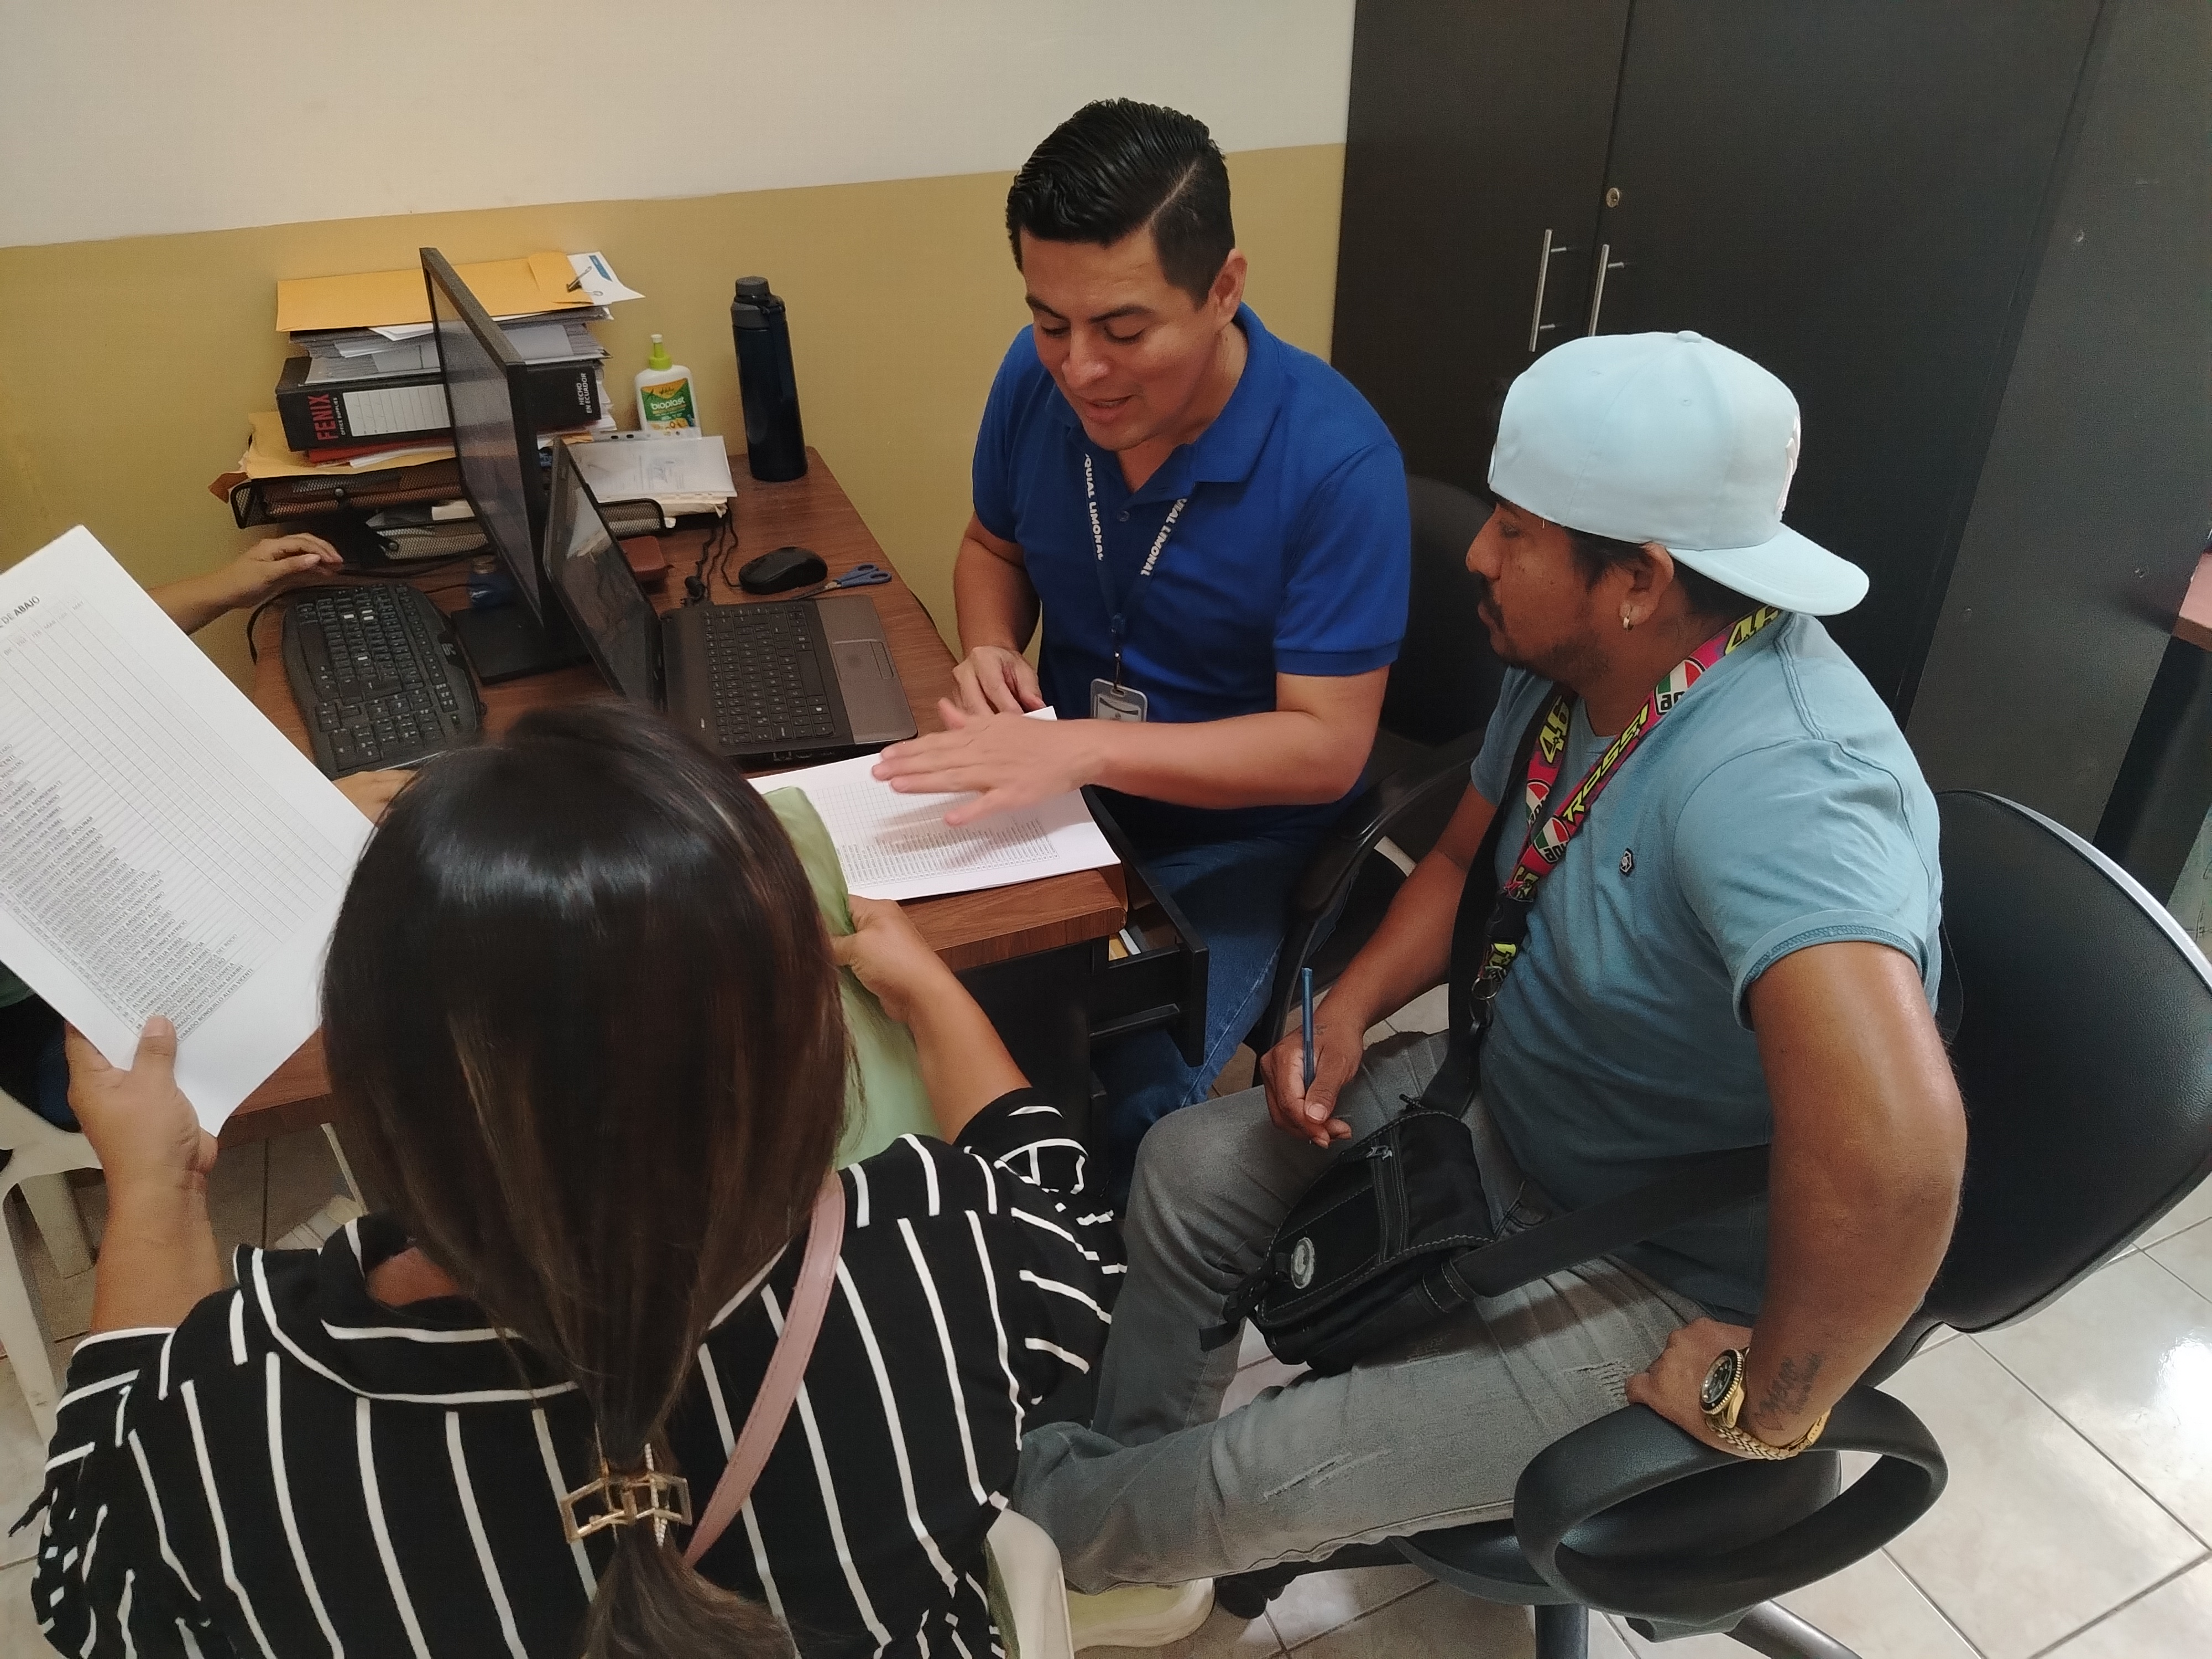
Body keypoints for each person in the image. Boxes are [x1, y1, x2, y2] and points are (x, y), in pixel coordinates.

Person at [1013, 332, 1969, 1622]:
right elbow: (1464, 860)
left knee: (1267, 1465)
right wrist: (1348, 1010)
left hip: (1659, 1263)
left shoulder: (1782, 790)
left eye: (1515, 532)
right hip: (1510, 1112)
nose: (1476, 553)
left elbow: (1897, 1156)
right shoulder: (1581, 668)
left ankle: (1013, 1533)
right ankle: (1135, 1534)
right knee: (1187, 1168)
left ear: (1635, 578)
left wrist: (1771, 1400)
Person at [27, 703, 1119, 1658]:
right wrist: (928, 990)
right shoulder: (938, 1260)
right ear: (799, 1055)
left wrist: (157, 1188)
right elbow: (1066, 1220)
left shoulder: (227, 1429)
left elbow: (90, 1593)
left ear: (382, 1085)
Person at [868, 100, 1411, 1201]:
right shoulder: (1035, 383)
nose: (1080, 370)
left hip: (1237, 838)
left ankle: (1100, 1271)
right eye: (1049, 322)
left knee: (1121, 1099)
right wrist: (990, 648)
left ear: (1223, 288)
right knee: (921, 1004)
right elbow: (990, 546)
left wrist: (1081, 749)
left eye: (1123, 330)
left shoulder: (1334, 464)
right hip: (1065, 805)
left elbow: (1325, 750)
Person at [1, 533, 401, 1129]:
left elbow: (41, 647)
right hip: (53, 1022)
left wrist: (225, 587)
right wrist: (296, 832)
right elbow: (92, 896)